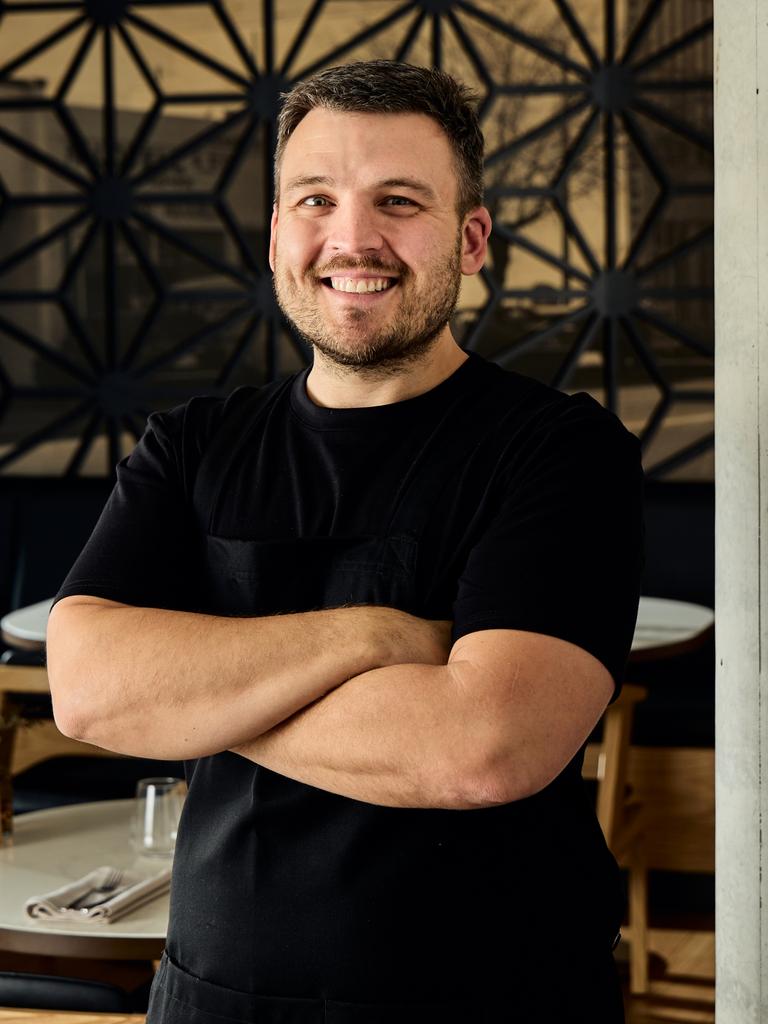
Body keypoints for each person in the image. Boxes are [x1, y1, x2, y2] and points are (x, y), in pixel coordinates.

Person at [47, 60, 643, 1023]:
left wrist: (191, 698)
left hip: (493, 1002)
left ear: (472, 237)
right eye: (315, 199)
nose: (352, 239)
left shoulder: (562, 453)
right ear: (279, 232)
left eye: (398, 201)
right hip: (212, 1000)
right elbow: (86, 691)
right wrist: (372, 638)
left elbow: (482, 748)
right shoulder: (191, 444)